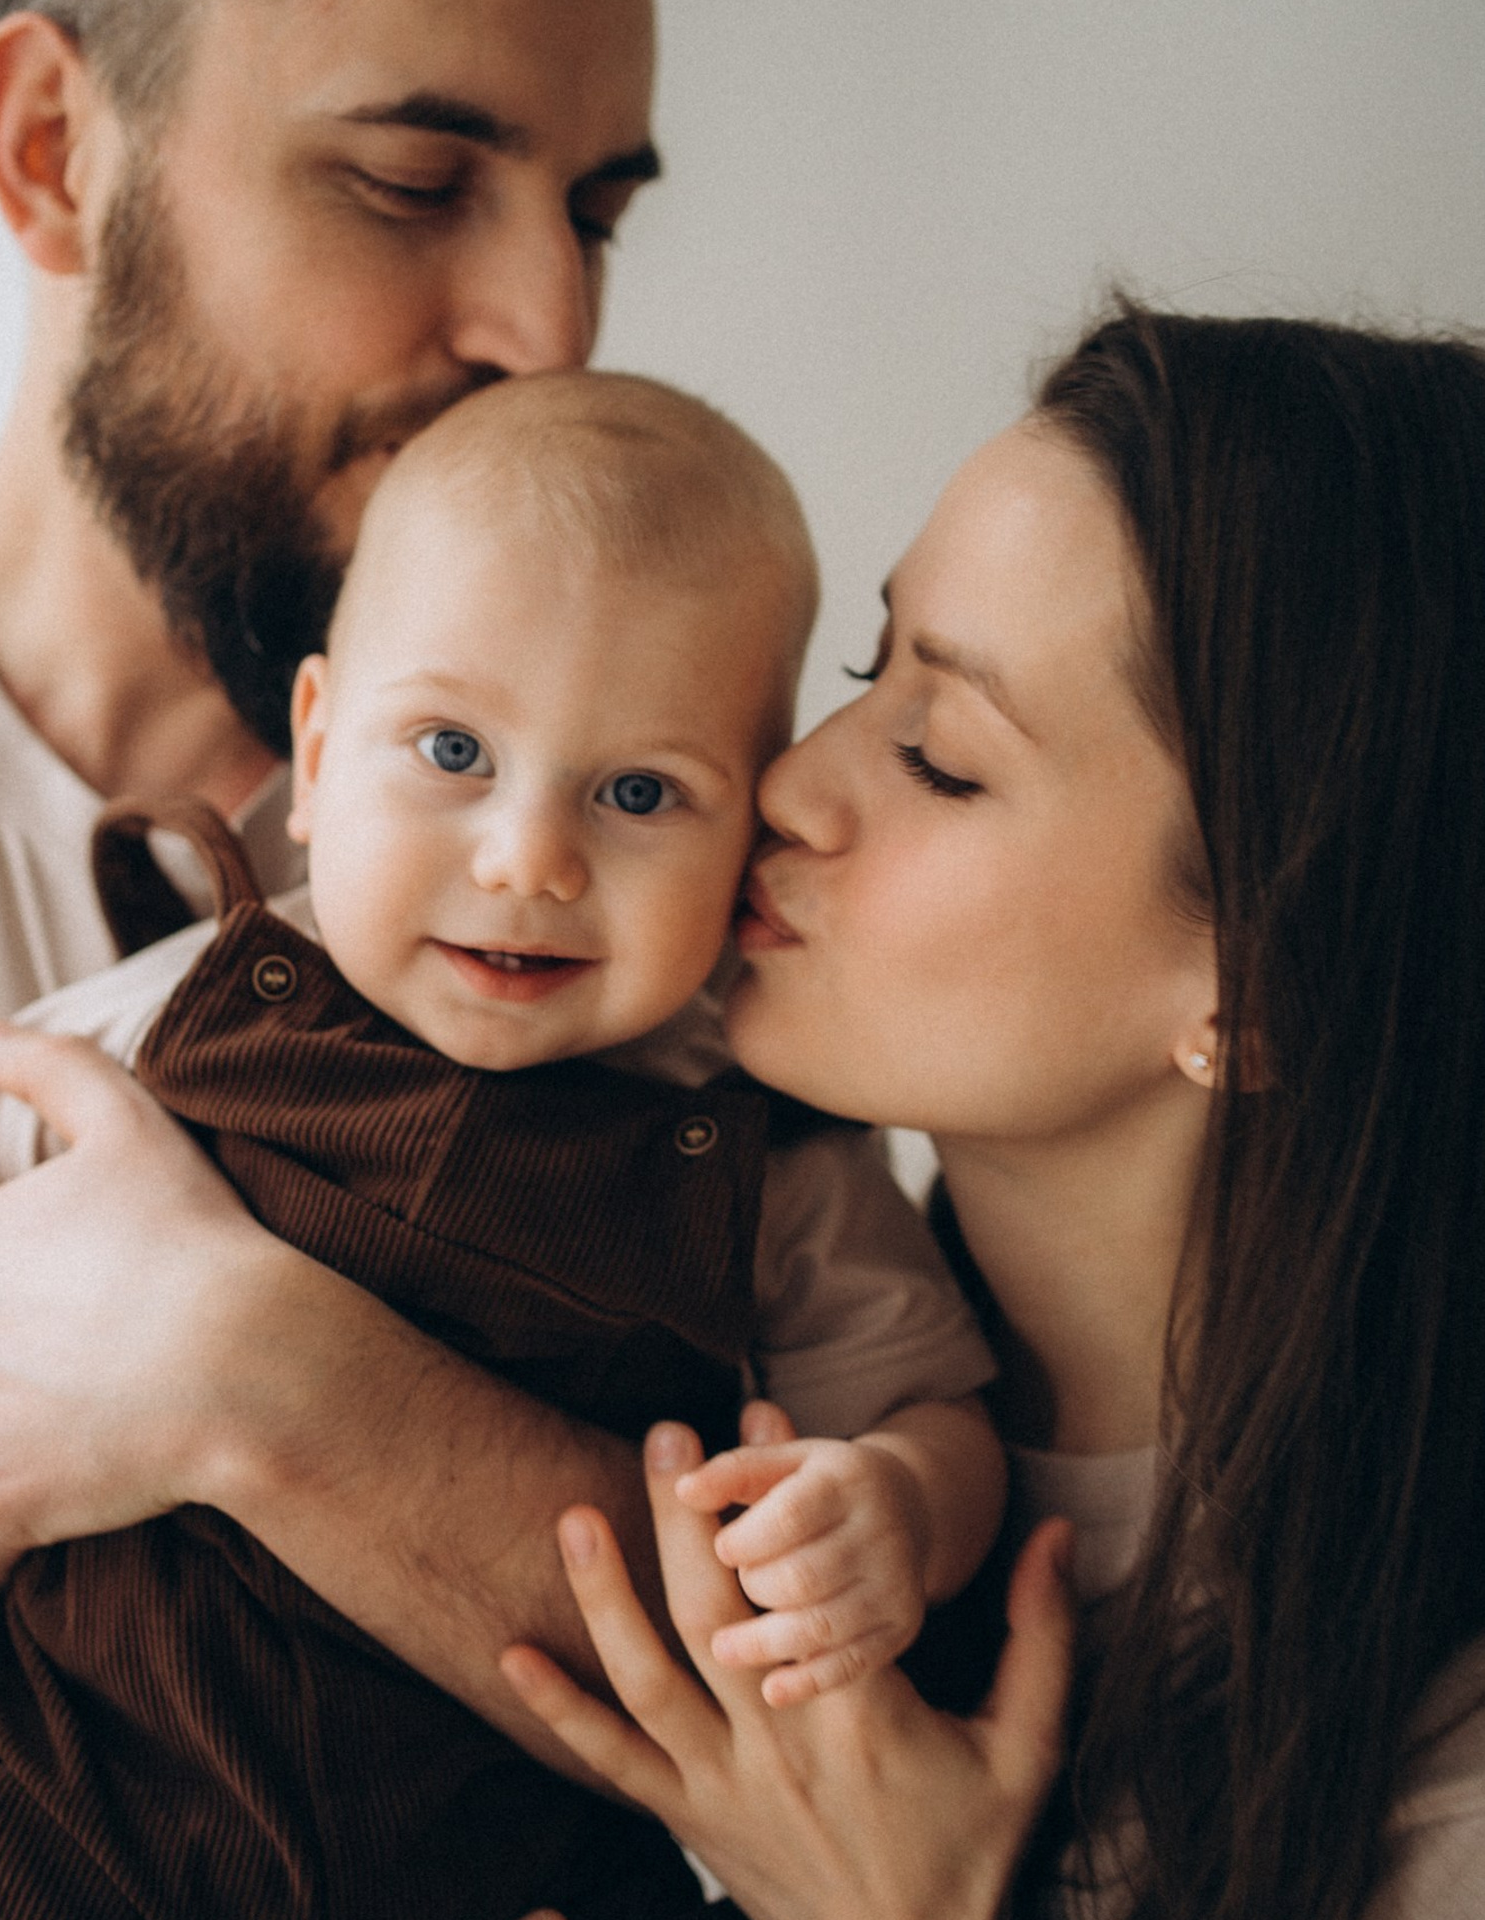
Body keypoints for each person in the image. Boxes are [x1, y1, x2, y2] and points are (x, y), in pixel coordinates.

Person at [0, 371, 1003, 1919]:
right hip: (63, 1795)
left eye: (641, 792)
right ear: (317, 756)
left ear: (750, 834)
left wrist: (902, 1505)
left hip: (494, 1868)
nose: (529, 858)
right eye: (451, 751)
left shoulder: (767, 1148)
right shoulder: (192, 1004)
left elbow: (932, 1406)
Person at [0, 1, 693, 1911]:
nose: (549, 329)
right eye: (412, 183)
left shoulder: (623, 901)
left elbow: (838, 1715)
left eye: (595, 215)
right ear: (49, 150)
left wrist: (265, 1379)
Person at [496, 305, 1485, 1920]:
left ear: (1263, 992)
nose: (792, 784)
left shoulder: (1442, 1775)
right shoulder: (719, 1322)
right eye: (864, 669)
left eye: (942, 758)